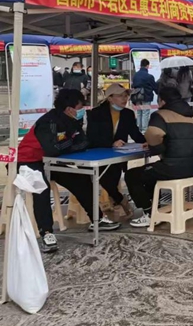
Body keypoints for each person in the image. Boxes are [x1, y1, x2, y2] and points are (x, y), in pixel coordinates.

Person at [17, 89, 120, 252]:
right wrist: (70, 144)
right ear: (69, 109)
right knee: (42, 188)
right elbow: (52, 149)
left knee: (81, 178)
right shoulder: (48, 122)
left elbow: (83, 142)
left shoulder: (73, 121)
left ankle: (97, 219)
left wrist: (65, 146)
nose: (82, 110)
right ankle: (47, 233)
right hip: (28, 161)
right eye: (80, 107)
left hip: (53, 161)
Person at [126, 87, 193, 227]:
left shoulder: (160, 115)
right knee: (150, 173)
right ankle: (156, 208)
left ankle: (149, 213)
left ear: (162, 101)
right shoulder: (189, 117)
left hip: (172, 168)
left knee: (132, 175)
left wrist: (155, 146)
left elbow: (154, 133)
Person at [86, 84, 145, 216]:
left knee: (114, 177)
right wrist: (111, 143)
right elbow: (92, 136)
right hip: (99, 153)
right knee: (105, 179)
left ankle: (117, 202)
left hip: (118, 155)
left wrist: (146, 142)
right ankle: (120, 200)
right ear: (110, 98)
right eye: (120, 96)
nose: (124, 99)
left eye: (126, 96)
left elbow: (135, 133)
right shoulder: (96, 113)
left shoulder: (128, 113)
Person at [131, 59, 158, 132]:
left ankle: (138, 130)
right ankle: (144, 130)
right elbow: (154, 87)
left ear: (140, 65)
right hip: (146, 96)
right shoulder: (149, 76)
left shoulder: (135, 75)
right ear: (147, 66)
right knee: (145, 113)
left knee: (139, 112)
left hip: (136, 96)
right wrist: (158, 92)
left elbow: (133, 85)